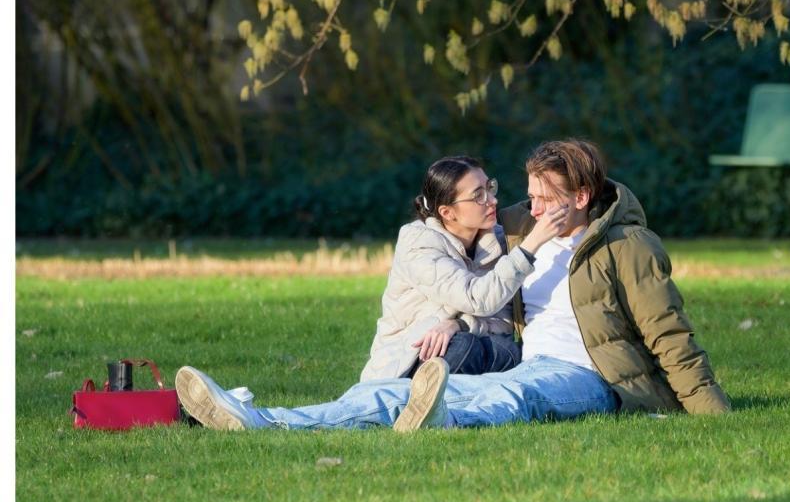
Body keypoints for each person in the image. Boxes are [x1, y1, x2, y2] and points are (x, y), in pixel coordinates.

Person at [176, 139, 730, 432]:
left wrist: (710, 412)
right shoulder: (519, 230)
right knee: (398, 391)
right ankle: (261, 420)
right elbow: (477, 279)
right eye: (526, 194)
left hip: (588, 376)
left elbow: (669, 333)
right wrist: (453, 315)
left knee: (513, 396)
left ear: (581, 198)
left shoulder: (628, 247)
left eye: (542, 197)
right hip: (523, 359)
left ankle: (444, 418)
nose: (525, 206)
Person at [361, 155, 566, 381]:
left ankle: (458, 396)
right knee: (463, 348)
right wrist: (530, 245)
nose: (492, 200)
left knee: (511, 352)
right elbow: (477, 299)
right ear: (447, 212)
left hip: (471, 343)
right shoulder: (418, 244)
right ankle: (418, 394)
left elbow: (506, 322)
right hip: (411, 359)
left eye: (489, 188)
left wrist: (458, 324)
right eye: (478, 195)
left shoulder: (497, 240)